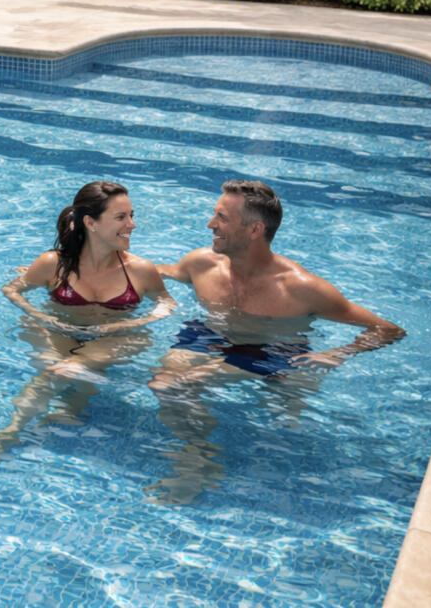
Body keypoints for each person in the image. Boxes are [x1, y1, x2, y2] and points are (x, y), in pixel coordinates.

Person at [147, 179, 405, 502]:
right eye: (214, 214)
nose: (210, 224)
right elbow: (152, 274)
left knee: (278, 419)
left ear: (255, 230)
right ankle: (200, 452)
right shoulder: (201, 264)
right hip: (212, 333)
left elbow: (388, 330)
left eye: (222, 218)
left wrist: (339, 353)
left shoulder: (300, 288)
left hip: (274, 349)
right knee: (163, 381)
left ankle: (201, 460)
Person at [0, 181, 174, 463]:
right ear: (90, 222)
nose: (132, 224)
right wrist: (41, 316)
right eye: (121, 217)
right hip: (60, 329)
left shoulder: (140, 270)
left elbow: (167, 304)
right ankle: (31, 424)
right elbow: (12, 289)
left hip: (116, 337)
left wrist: (120, 327)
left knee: (65, 369)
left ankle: (14, 431)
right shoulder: (53, 263)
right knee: (60, 368)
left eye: (132, 215)